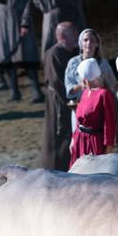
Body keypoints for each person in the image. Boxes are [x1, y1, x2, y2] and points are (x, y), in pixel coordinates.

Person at [41, 21, 79, 170]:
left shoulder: (73, 52)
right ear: (63, 36)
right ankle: (57, 168)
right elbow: (57, 81)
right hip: (59, 102)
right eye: (73, 33)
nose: (77, 36)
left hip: (70, 100)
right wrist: (73, 98)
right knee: (59, 136)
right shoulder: (54, 54)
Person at [69, 58, 116, 168]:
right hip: (80, 140)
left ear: (85, 77)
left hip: (94, 142)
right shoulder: (85, 92)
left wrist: (108, 146)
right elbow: (79, 120)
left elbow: (109, 123)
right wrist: (73, 139)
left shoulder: (103, 94)